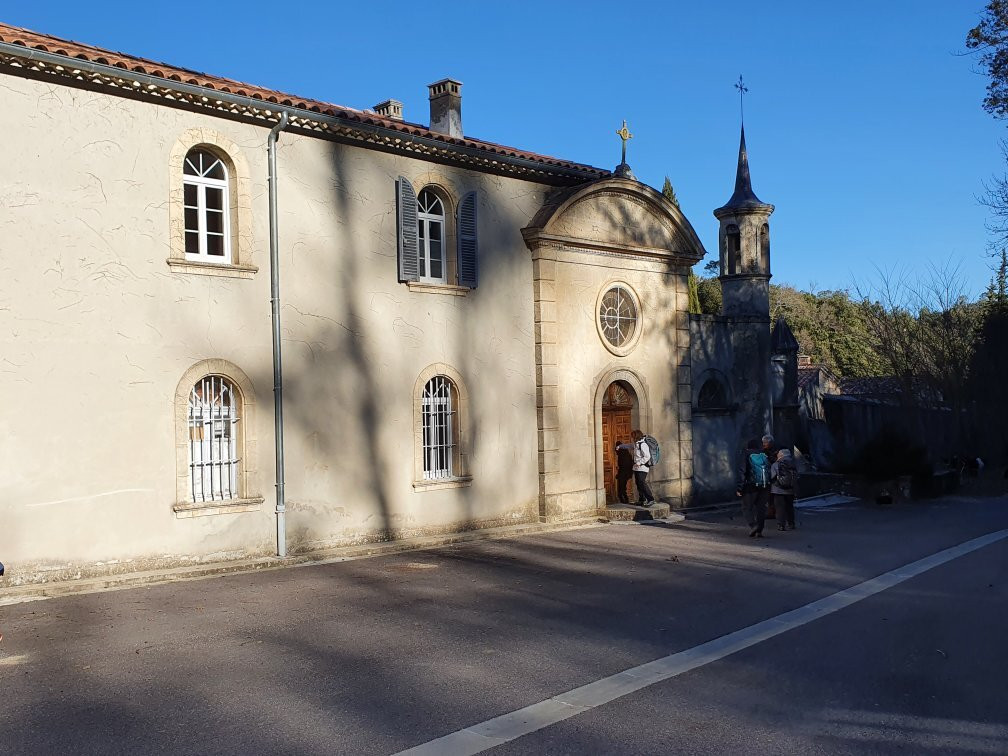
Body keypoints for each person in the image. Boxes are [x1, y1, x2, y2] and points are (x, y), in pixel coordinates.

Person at [736, 438, 770, 537]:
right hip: (765, 485)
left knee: (746, 507)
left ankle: (753, 525)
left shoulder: (746, 454)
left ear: (748, 446)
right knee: (761, 508)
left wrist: (739, 488)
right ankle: (759, 531)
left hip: (750, 486)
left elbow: (742, 471)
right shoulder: (764, 454)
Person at [617, 430, 655, 507]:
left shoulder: (643, 445)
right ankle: (642, 500)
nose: (631, 438)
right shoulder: (636, 444)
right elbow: (628, 446)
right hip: (637, 468)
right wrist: (620, 446)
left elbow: (647, 456)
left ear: (636, 436)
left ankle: (650, 499)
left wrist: (639, 463)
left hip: (643, 468)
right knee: (638, 484)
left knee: (642, 483)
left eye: (633, 436)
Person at [771, 448, 798, 531]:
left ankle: (781, 525)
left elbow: (772, 476)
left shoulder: (776, 464)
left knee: (780, 508)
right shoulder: (793, 463)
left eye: (778, 453)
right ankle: (791, 524)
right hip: (790, 489)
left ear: (781, 455)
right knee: (789, 507)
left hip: (778, 489)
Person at [614, 439, 634, 504]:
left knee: (621, 487)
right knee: (623, 487)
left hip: (623, 473)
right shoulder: (627, 454)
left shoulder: (622, 455)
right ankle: (625, 500)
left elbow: (623, 465)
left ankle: (624, 500)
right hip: (626, 473)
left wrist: (619, 473)